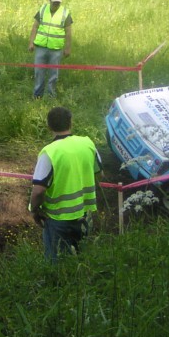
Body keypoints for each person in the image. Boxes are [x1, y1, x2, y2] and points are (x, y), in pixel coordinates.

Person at [30, 107, 101, 264]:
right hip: (85, 214)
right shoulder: (87, 144)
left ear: (48, 126)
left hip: (59, 219)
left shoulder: (49, 152)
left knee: (58, 266)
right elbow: (98, 173)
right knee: (83, 262)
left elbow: (38, 191)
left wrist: (34, 210)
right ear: (71, 122)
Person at [28, 0, 72, 99]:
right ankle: (37, 96)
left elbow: (68, 32)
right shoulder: (42, 10)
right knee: (39, 72)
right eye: (54, 2)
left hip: (56, 50)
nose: (56, 5)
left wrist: (67, 48)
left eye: (58, 3)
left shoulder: (65, 13)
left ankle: (50, 97)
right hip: (41, 48)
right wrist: (31, 42)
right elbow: (35, 27)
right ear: (49, 0)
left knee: (53, 74)